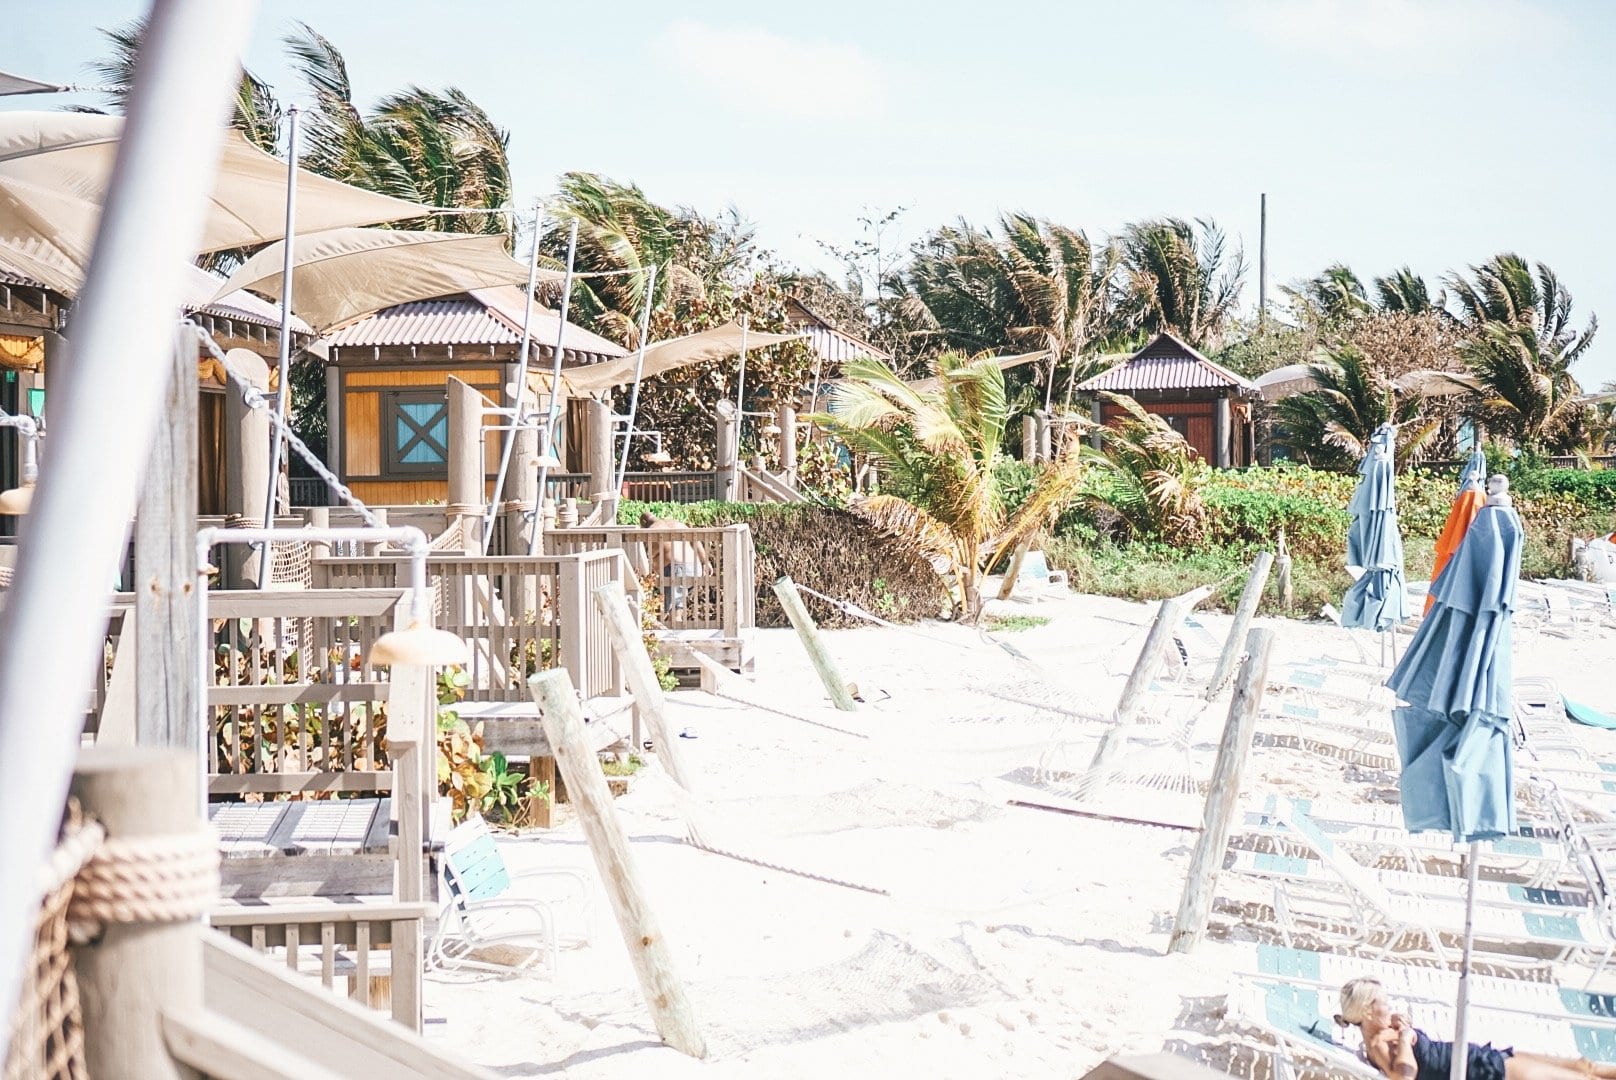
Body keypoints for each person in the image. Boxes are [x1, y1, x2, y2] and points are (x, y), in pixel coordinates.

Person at [1337, 978, 1616, 1080]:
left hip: (1483, 1057)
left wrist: (1404, 1027)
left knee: (1584, 1067)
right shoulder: (1376, 1045)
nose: (1389, 1006)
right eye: (1383, 1003)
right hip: (1483, 1072)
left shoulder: (1382, 1033)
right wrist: (1404, 1034)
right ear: (1366, 1011)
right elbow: (1403, 1076)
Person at [639, 512, 701, 614]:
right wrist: (705, 562)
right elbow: (696, 541)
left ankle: (674, 623)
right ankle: (673, 620)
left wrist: (654, 569)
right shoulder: (677, 523)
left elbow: (651, 555)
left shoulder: (653, 530)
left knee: (674, 609)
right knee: (677, 603)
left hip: (677, 569)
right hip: (695, 567)